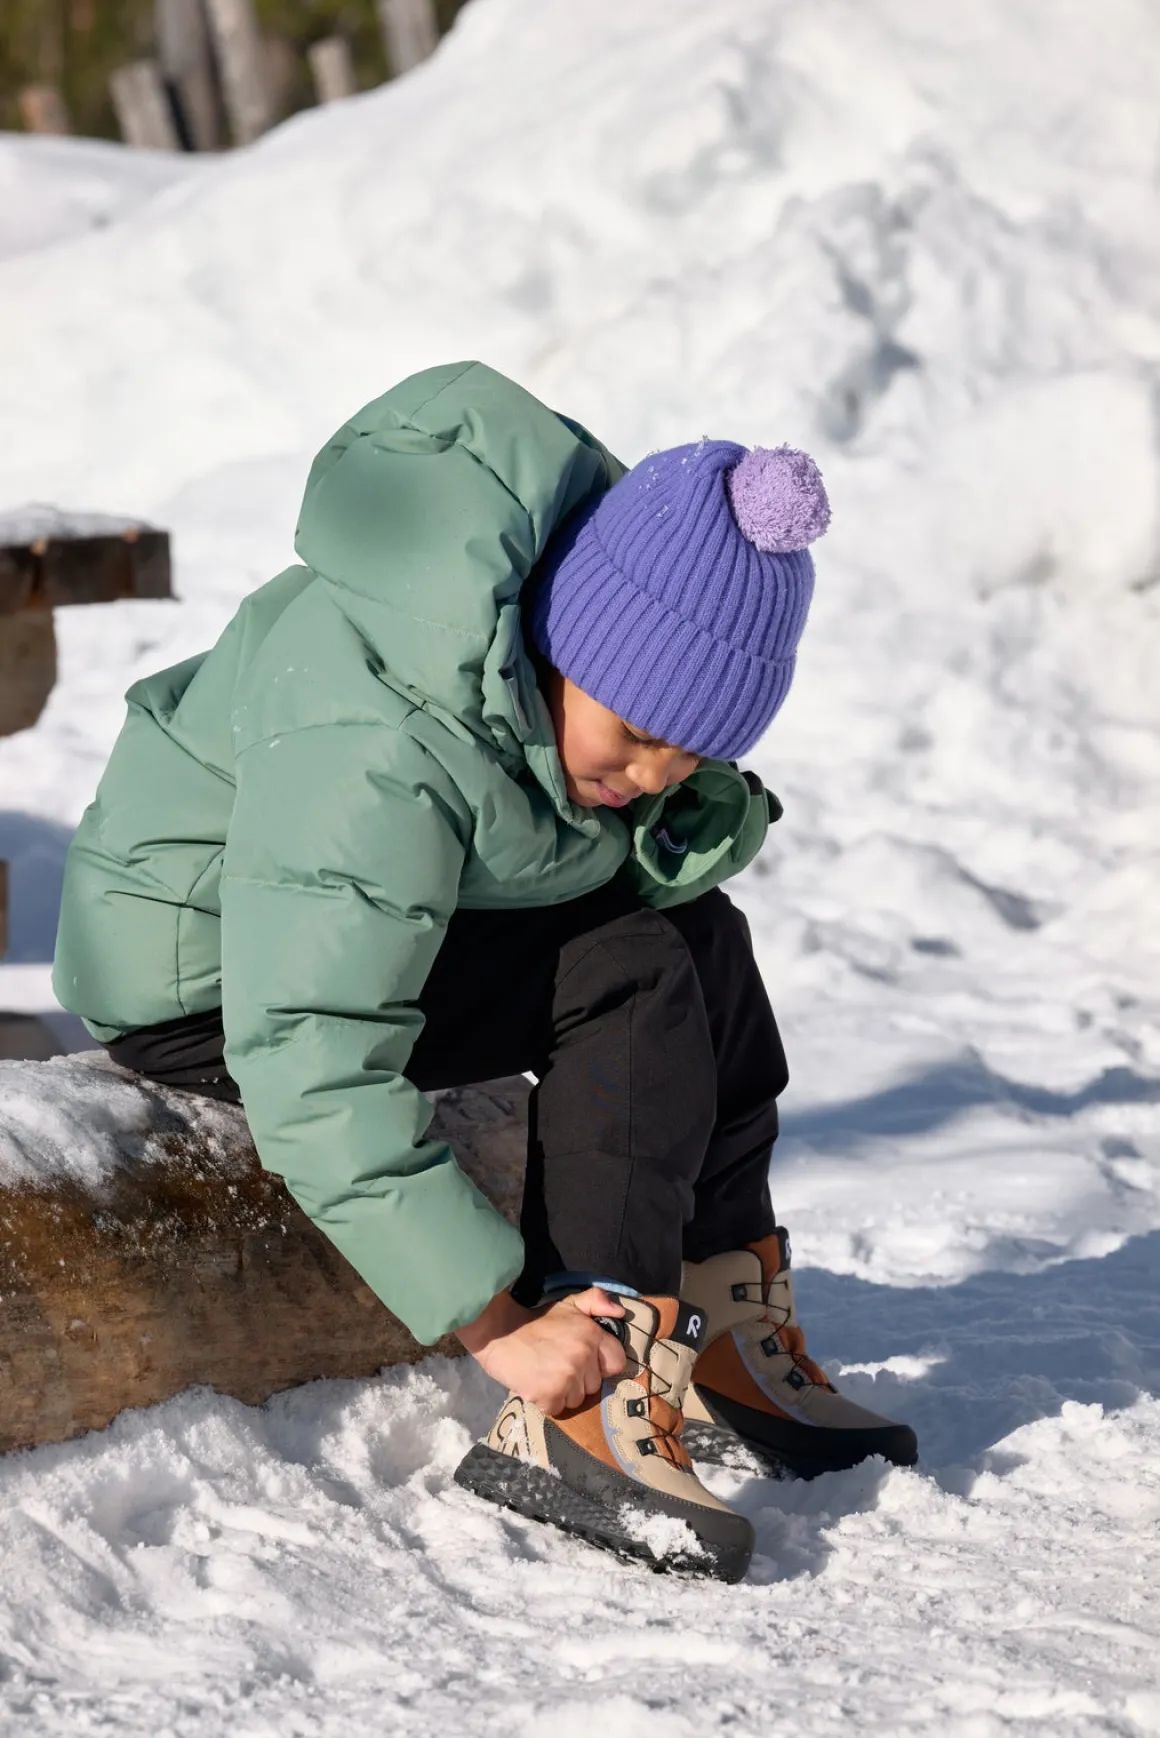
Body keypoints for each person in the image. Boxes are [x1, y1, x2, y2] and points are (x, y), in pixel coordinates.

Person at [53, 361, 916, 1582]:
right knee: (629, 973)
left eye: (687, 757)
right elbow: (305, 1043)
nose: (652, 776)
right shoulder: (375, 731)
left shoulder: (528, 683)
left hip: (358, 927)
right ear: (565, 643)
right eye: (636, 735)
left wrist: (670, 835)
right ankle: (584, 1392)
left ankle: (713, 1313)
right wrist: (494, 1324)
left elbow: (570, 846)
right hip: (209, 975)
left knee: (698, 941)